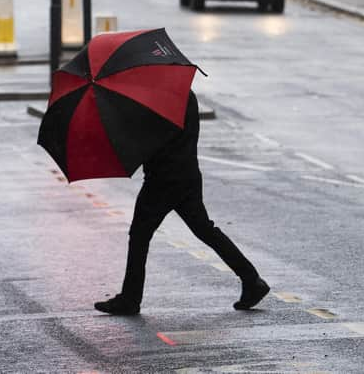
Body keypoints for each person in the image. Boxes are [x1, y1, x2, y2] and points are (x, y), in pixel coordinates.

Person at [94, 90, 270, 315]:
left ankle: (130, 298)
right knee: (205, 230)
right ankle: (252, 280)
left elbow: (148, 139)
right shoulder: (185, 94)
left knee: (139, 235)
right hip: (187, 174)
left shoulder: (158, 99)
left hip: (162, 179)